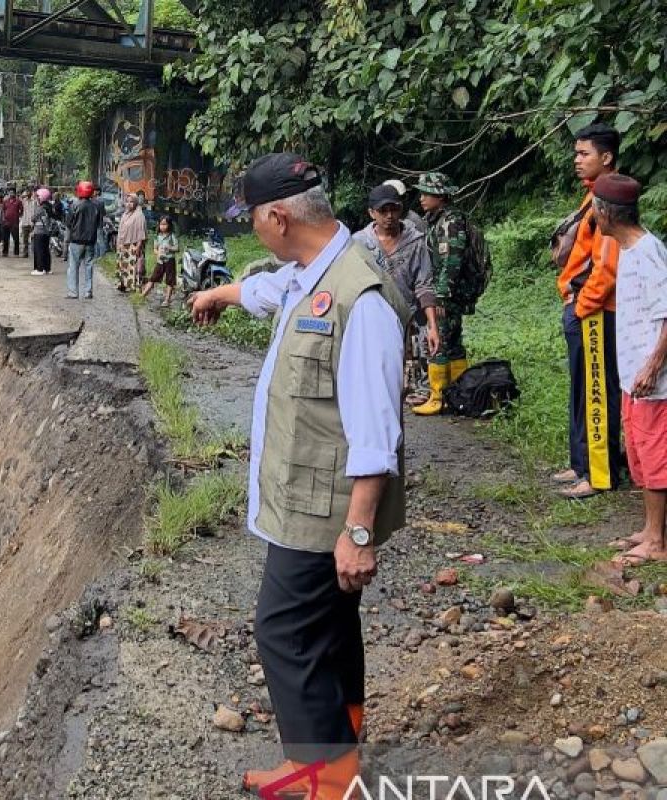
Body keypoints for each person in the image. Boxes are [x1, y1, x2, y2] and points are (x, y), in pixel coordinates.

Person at [187, 153, 407, 800]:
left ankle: (330, 777)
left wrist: (358, 534)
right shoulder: (312, 271)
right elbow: (266, 292)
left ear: (277, 217)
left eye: (252, 220)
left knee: (283, 631)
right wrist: (218, 294)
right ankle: (338, 749)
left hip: (327, 514)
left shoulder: (358, 298)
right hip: (309, 502)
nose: (252, 231)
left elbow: (376, 431)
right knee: (331, 629)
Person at [590, 174, 667, 564]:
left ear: (605, 213)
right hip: (633, 376)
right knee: (639, 452)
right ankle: (649, 529)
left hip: (653, 380)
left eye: (594, 210)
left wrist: (653, 366)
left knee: (655, 455)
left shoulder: (650, 251)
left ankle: (656, 540)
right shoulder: (629, 251)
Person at [551, 123, 624, 499]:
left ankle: (599, 474)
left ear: (606, 157)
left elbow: (607, 264)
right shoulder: (592, 194)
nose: (577, 161)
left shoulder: (610, 197)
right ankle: (581, 463)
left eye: (584, 154)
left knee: (597, 390)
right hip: (583, 306)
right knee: (583, 387)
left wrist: (582, 305)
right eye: (577, 153)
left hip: (596, 310)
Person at [353, 183, 440, 400]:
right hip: (372, 317)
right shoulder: (359, 244)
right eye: (383, 211)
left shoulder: (416, 241)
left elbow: (424, 284)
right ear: (372, 213)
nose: (389, 216)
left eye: (394, 209)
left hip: (408, 317)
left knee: (410, 385)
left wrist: (432, 326)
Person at [410, 172, 471, 416]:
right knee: (453, 343)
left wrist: (441, 298)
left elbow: (451, 262)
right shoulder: (438, 219)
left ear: (441, 196)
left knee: (439, 342)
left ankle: (438, 396)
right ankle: (458, 394)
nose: (422, 198)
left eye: (428, 193)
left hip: (447, 294)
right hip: (448, 292)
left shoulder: (449, 223)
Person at [65, 180, 104, 300]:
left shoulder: (75, 205)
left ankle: (73, 292)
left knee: (73, 267)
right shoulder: (96, 206)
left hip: (76, 240)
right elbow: (99, 224)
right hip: (90, 241)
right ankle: (88, 292)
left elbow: (68, 222)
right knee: (89, 266)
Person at [141, 216, 179, 308]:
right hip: (160, 261)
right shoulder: (157, 236)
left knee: (170, 281)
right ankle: (142, 295)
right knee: (153, 278)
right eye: (161, 224)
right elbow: (155, 248)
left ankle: (167, 300)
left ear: (169, 225)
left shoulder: (172, 236)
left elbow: (177, 248)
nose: (162, 226)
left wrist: (169, 248)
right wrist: (158, 253)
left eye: (165, 224)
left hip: (170, 260)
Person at [115, 193, 147, 292]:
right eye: (127, 201)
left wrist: (138, 246)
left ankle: (134, 286)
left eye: (131, 202)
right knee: (123, 265)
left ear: (136, 203)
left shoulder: (139, 215)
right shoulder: (125, 214)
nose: (129, 204)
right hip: (123, 244)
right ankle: (123, 284)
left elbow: (141, 232)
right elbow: (121, 230)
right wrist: (119, 243)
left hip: (133, 245)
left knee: (134, 267)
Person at [30, 187, 54, 276]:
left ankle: (39, 269)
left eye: (38, 197)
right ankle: (47, 268)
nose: (37, 198)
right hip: (46, 231)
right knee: (46, 250)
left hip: (39, 231)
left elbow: (33, 218)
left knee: (38, 250)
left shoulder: (41, 208)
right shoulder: (49, 206)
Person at [0, 190, 23, 257]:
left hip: (14, 223)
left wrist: (18, 215)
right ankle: (5, 252)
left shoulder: (18, 201)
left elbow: (21, 210)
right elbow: (3, 210)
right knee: (5, 238)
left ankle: (16, 253)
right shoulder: (5, 201)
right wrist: (3, 218)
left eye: (12, 193)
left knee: (16, 238)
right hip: (6, 222)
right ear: (8, 193)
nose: (11, 194)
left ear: (15, 194)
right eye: (10, 192)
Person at [20, 188, 39, 259]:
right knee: (25, 240)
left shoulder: (34, 202)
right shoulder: (23, 201)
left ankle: (34, 253)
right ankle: (25, 253)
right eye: (26, 192)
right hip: (25, 222)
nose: (27, 194)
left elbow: (36, 211)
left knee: (33, 239)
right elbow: (20, 197)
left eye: (28, 192)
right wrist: (24, 195)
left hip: (32, 223)